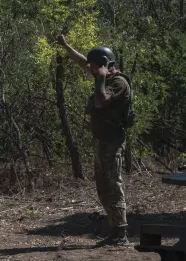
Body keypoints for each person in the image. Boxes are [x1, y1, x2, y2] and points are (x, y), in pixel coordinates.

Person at [56, 34, 132, 247]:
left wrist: (100, 78)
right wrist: (65, 45)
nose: (90, 70)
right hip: (101, 141)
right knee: (102, 187)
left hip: (112, 142)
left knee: (113, 185)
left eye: (94, 67)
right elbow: (82, 61)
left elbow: (100, 102)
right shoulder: (103, 76)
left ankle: (121, 232)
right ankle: (113, 227)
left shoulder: (119, 83)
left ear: (105, 66)